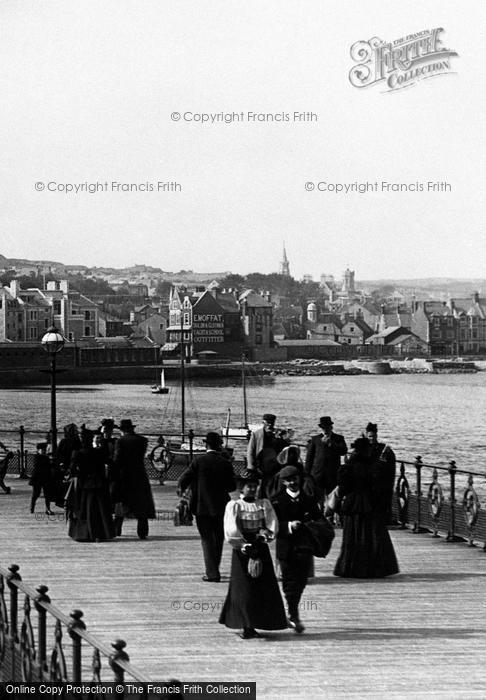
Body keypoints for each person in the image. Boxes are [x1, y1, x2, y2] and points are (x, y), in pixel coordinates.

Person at [219, 470, 287, 639]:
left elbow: (272, 525)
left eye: (255, 486)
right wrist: (243, 545)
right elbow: (230, 529)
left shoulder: (264, 504)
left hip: (259, 547)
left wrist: (263, 538)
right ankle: (245, 624)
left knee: (262, 587)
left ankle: (258, 622)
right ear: (241, 488)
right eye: (249, 486)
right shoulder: (234, 505)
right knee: (243, 589)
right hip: (242, 550)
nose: (252, 489)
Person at [333, 437, 399, 578]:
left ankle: (351, 567)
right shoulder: (373, 468)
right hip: (369, 504)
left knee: (352, 538)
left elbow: (343, 488)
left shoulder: (347, 468)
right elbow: (379, 487)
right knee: (371, 536)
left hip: (352, 505)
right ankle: (373, 568)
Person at [178, 431, 236, 582]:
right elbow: (232, 486)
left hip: (201, 506)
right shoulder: (225, 463)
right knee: (218, 538)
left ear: (206, 444)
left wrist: (182, 491)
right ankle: (214, 569)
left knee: (206, 539)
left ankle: (212, 573)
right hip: (221, 506)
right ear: (219, 446)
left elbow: (184, 479)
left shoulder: (199, 461)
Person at [272, 465, 323, 633]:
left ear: (299, 479)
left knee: (301, 581)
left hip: (304, 547)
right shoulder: (277, 501)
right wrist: (288, 525)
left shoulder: (308, 500)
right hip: (286, 546)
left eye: (295, 479)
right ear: (283, 482)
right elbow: (271, 525)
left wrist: (311, 525)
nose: (292, 482)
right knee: (289, 581)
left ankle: (292, 611)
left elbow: (319, 519)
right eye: (288, 480)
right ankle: (293, 614)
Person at [66, 430, 115, 542]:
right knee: (99, 509)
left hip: (84, 484)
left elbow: (72, 470)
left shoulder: (78, 453)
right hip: (99, 483)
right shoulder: (99, 452)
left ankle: (84, 534)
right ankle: (99, 534)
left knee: (84, 509)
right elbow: (109, 462)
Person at [113, 418, 155, 539]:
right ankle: (142, 532)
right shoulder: (142, 440)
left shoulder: (120, 441)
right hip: (139, 474)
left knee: (121, 503)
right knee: (141, 504)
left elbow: (118, 460)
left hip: (124, 475)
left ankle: (117, 529)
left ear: (122, 430)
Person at [304, 416, 347, 505]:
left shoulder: (338, 438)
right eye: (323, 428)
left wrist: (331, 443)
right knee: (316, 498)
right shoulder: (315, 439)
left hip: (332, 474)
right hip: (317, 474)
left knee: (332, 499)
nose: (325, 430)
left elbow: (343, 451)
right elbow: (309, 458)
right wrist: (307, 474)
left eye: (327, 427)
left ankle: (330, 516)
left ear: (331, 427)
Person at [246, 413, 289, 497]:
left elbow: (285, 449)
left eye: (271, 423)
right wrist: (251, 467)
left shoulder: (278, 434)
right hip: (261, 466)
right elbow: (250, 451)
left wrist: (283, 438)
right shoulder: (256, 434)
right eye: (267, 423)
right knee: (261, 488)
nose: (269, 426)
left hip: (274, 466)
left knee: (273, 488)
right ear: (263, 423)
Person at [365, 422, 396, 523]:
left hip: (379, 483)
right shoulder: (362, 449)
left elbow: (390, 469)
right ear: (366, 435)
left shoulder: (384, 449)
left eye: (373, 436)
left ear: (376, 435)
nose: (372, 439)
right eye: (370, 436)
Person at [29, 442, 53, 513]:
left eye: (44, 450)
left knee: (47, 494)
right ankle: (32, 506)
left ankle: (47, 509)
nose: (44, 451)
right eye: (42, 450)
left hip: (45, 478)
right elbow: (39, 466)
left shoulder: (46, 458)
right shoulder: (36, 457)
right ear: (38, 450)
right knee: (36, 494)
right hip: (37, 478)